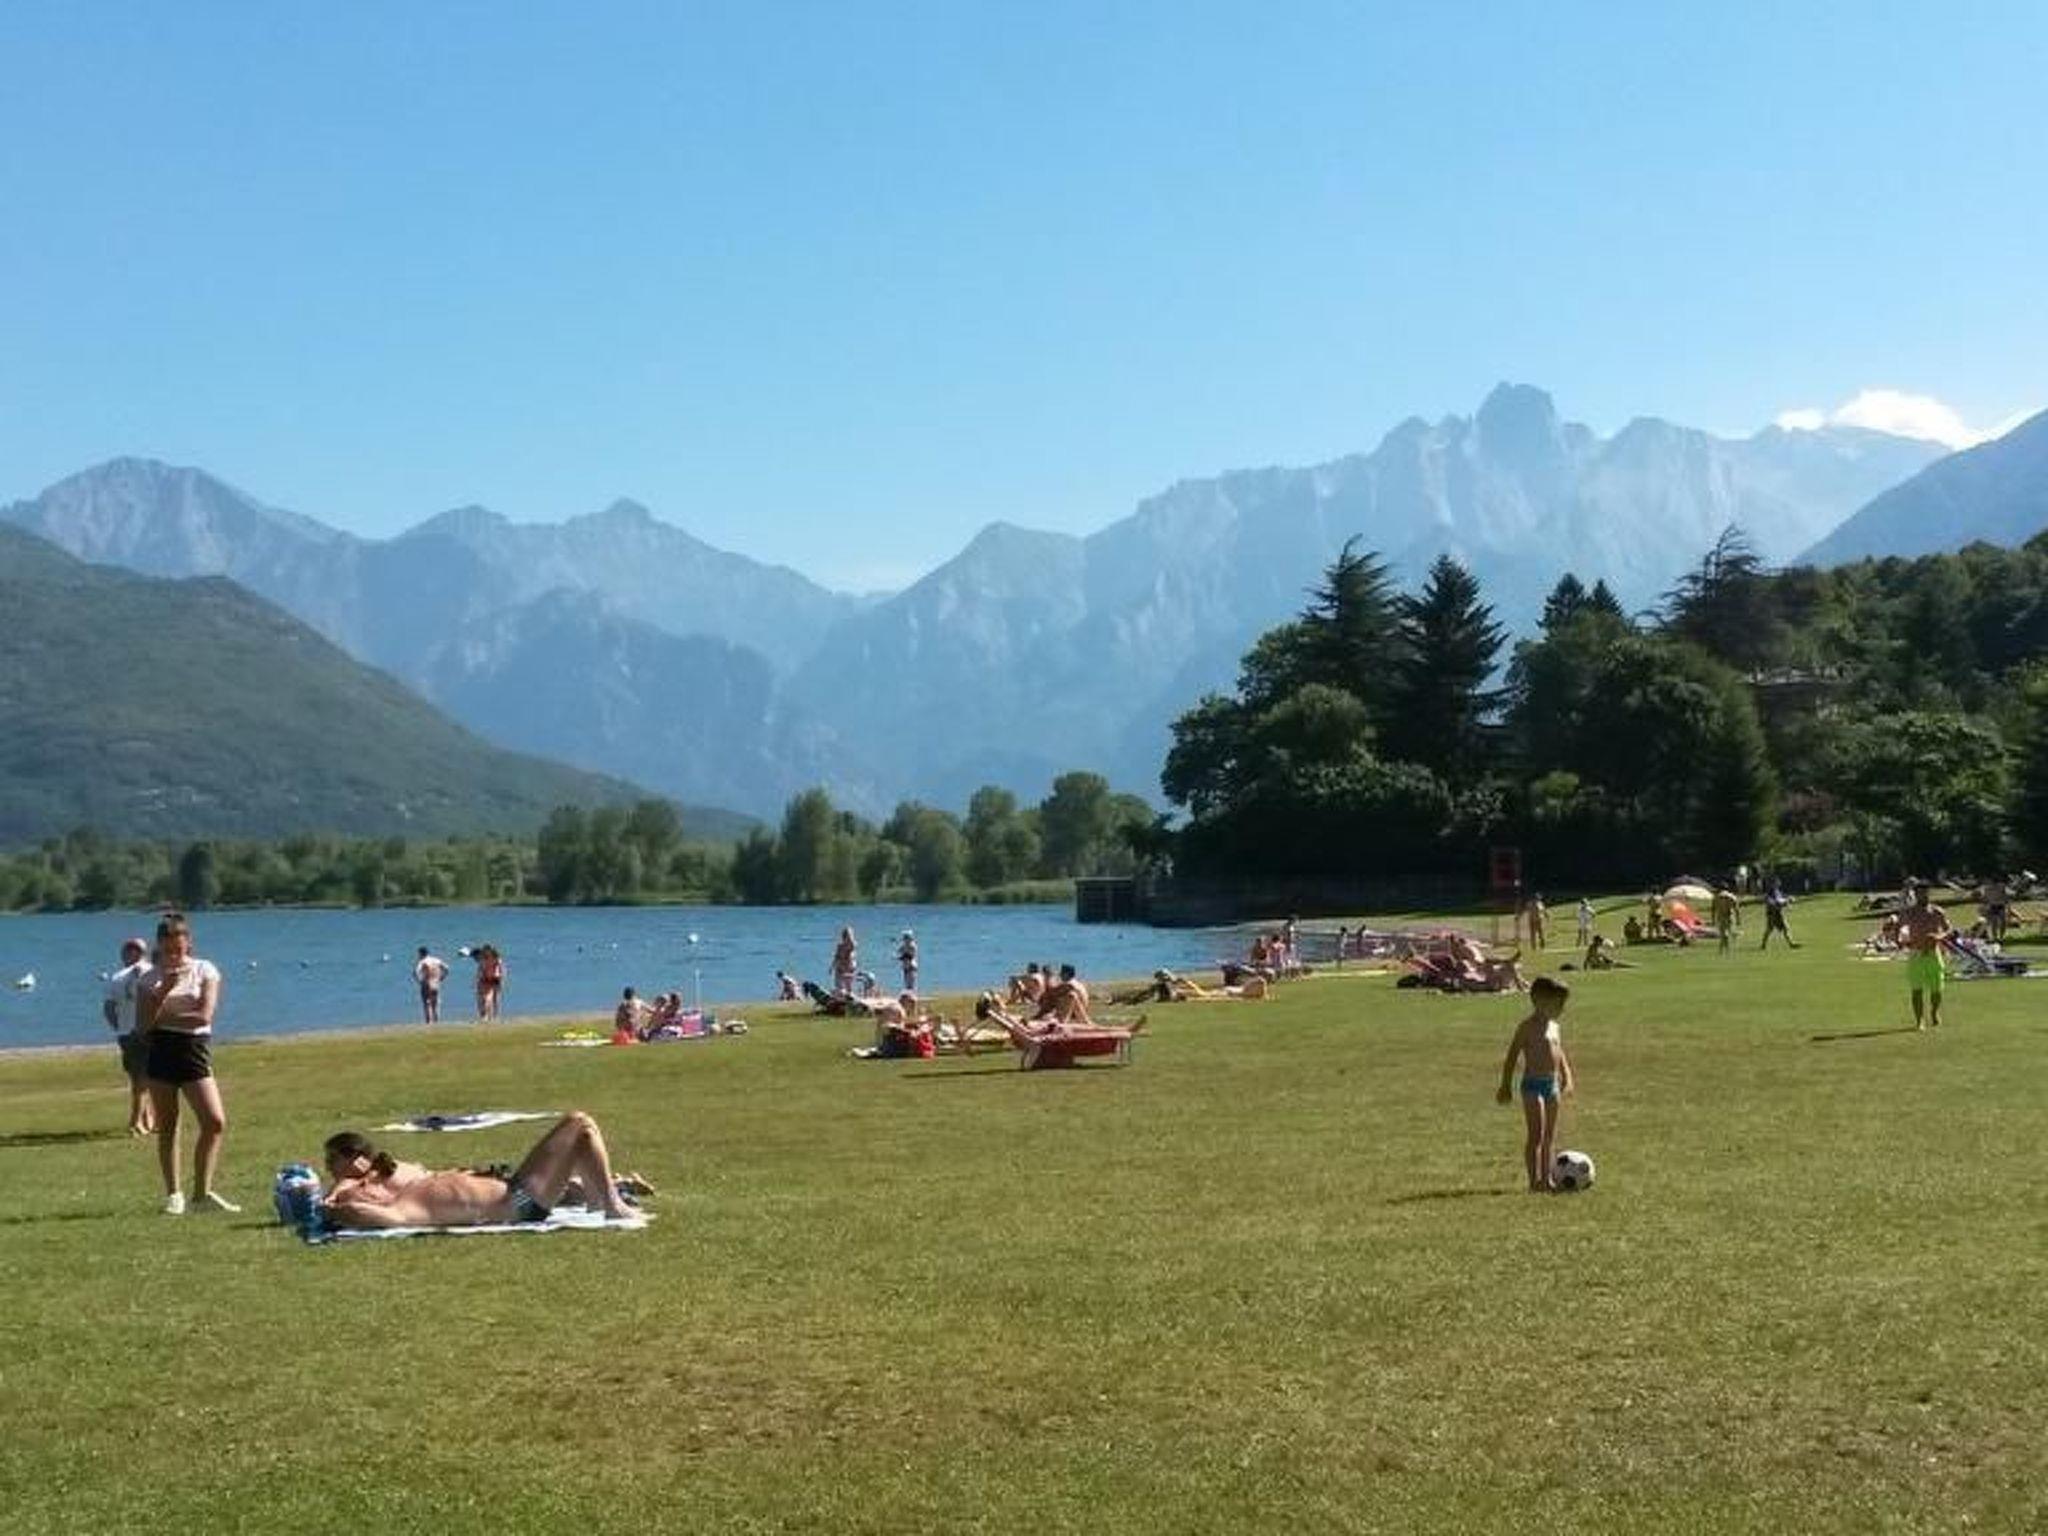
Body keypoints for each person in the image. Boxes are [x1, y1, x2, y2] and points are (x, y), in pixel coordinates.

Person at [319, 1113, 642, 1229]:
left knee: (581, 1131)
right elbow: (359, 1212)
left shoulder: (406, 1187)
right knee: (580, 1124)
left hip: (516, 1192)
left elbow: (353, 1200)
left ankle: (600, 1200)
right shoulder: (402, 1209)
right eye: (360, 1191)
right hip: (518, 1201)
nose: (363, 1187)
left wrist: (338, 1202)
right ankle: (610, 1203)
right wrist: (335, 1208)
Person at [138, 913, 237, 1215]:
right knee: (168, 1125)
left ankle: (202, 1194)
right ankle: (174, 1195)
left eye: (179, 949)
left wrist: (161, 1016)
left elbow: (203, 1016)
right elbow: (143, 1027)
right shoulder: (148, 979)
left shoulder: (204, 970)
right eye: (168, 949)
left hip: (193, 1049)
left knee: (214, 1121)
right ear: (159, 945)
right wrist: (163, 992)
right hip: (161, 1051)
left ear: (188, 943)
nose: (174, 955)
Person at [1496, 976, 1575, 1193]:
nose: (1562, 1009)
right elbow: (1512, 1056)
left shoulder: (1555, 1027)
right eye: (1558, 1004)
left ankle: (1547, 1180)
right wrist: (1505, 1085)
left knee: (1550, 1135)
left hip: (1552, 1084)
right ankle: (1534, 1181)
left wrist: (1567, 1077)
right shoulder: (1527, 1028)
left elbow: (1560, 1053)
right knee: (1536, 1135)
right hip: (1532, 1085)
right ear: (1539, 1001)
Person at [102, 936, 154, 1136]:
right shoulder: (153, 972)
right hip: (149, 1031)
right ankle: (138, 1121)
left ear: (129, 953)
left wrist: (119, 1027)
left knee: (138, 1079)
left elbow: (108, 1008)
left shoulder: (116, 977)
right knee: (147, 1080)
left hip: (128, 1034)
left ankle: (145, 1120)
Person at [1900, 882, 1954, 1031]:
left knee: (1937, 989)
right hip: (1916, 953)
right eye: (1919, 893)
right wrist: (1903, 941)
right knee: (1916, 989)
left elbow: (1949, 929)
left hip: (1933, 953)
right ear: (1915, 895)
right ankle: (1920, 1020)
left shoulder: (1937, 912)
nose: (1922, 895)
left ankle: (1934, 1012)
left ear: (1929, 893)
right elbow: (1898, 928)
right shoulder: (1909, 912)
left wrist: (1939, 936)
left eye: (1925, 892)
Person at [413, 945, 449, 1024]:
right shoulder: (436, 960)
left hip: (427, 984)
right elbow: (447, 968)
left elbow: (416, 971)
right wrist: (442, 977)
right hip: (436, 983)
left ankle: (428, 1023)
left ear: (421, 954)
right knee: (436, 1004)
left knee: (427, 1004)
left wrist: (419, 981)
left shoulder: (422, 961)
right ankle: (436, 1022)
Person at [1760, 881, 1798, 950]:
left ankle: (1791, 943)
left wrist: (1788, 899)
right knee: (1769, 930)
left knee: (1786, 928)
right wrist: (1786, 901)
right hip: (1772, 915)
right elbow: (1774, 903)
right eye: (1775, 883)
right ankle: (1763, 944)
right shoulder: (1769, 894)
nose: (1777, 884)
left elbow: (1782, 898)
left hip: (1779, 913)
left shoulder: (1778, 892)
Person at [474, 945, 505, 1020]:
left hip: (494, 979)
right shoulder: (484, 959)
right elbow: (480, 969)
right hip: (487, 979)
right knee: (486, 998)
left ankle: (492, 1016)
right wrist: (477, 979)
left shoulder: (496, 959)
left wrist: (501, 979)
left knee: (493, 998)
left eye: (485, 950)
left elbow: (501, 969)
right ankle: (487, 1015)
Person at [1711, 889, 1740, 956]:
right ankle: (1724, 950)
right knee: (1725, 934)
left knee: (1724, 934)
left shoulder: (1717, 898)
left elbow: (1713, 909)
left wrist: (1713, 919)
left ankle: (1723, 950)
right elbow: (1736, 909)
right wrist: (1738, 919)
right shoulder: (1732, 897)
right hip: (1726, 917)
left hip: (1725, 917)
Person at [831, 927, 858, 997]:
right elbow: (836, 957)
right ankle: (840, 994)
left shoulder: (852, 945)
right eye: (847, 936)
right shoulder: (840, 946)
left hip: (849, 968)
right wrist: (832, 967)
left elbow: (852, 945)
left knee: (848, 986)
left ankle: (847, 995)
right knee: (840, 987)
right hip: (841, 969)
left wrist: (850, 935)